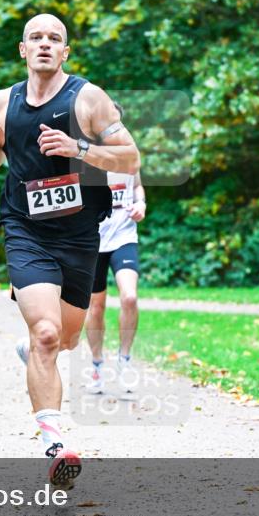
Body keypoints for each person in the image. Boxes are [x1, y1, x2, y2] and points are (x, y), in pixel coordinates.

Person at [0, 13, 140, 487]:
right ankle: (55, 444)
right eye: (36, 37)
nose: (45, 44)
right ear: (23, 49)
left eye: (54, 38)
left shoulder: (88, 99)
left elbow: (130, 158)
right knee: (45, 334)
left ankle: (37, 351)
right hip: (25, 228)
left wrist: (78, 148)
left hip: (80, 235)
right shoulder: (5, 100)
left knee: (67, 339)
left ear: (65, 51)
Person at [84, 151, 145, 394]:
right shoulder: (84, 156)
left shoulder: (128, 153)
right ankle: (97, 365)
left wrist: (140, 203)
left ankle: (125, 360)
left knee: (129, 297)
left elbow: (137, 186)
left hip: (124, 237)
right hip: (93, 241)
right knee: (95, 307)